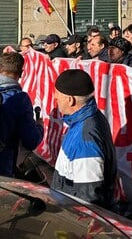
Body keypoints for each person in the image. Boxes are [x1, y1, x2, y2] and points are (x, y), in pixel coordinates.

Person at [52, 69, 116, 209]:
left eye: (57, 95)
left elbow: (89, 198)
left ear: (70, 100)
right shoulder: (88, 120)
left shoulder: (85, 138)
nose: (55, 98)